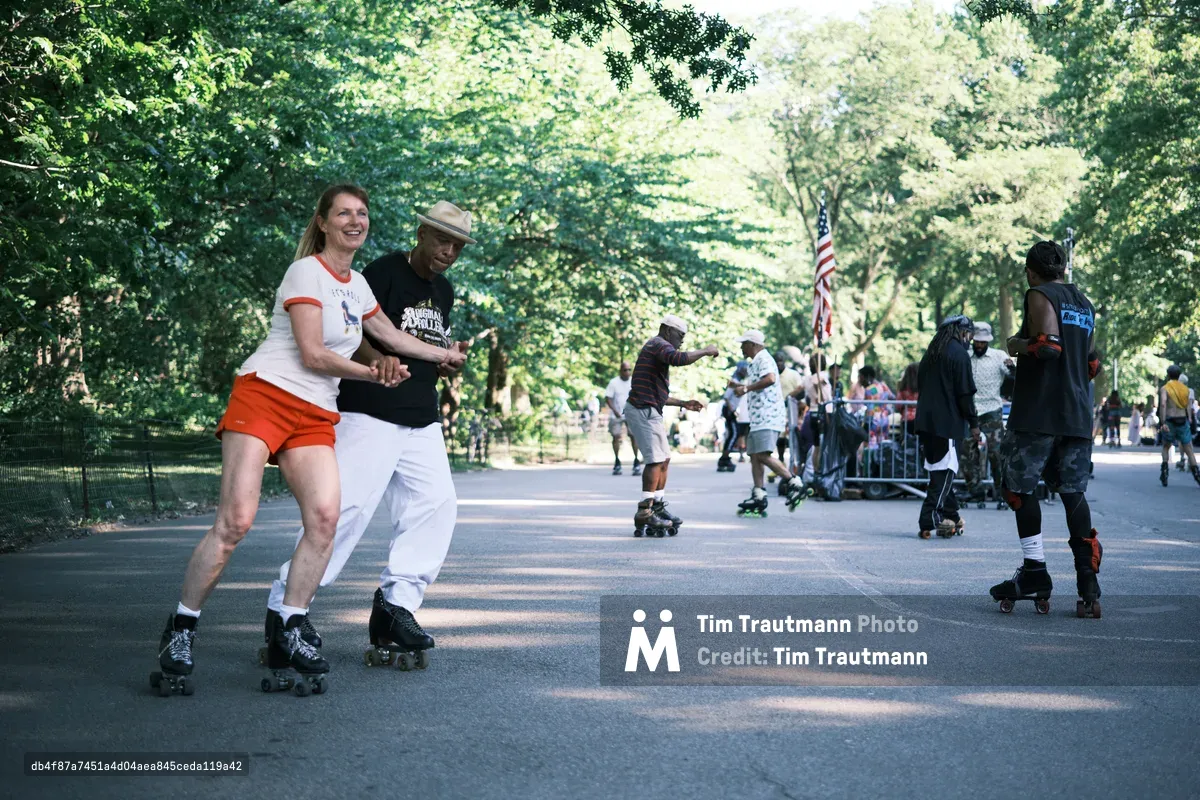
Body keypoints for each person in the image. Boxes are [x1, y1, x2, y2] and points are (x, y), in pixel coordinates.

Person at [155, 186, 465, 695]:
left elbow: (391, 337)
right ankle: (181, 629)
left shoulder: (360, 286)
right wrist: (375, 374)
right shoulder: (307, 272)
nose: (354, 221)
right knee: (236, 521)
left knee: (326, 518)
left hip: (316, 411)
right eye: (343, 213)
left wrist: (441, 356)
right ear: (323, 222)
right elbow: (314, 354)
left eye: (362, 213)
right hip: (267, 396)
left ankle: (289, 627)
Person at [263, 199, 475, 673]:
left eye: (458, 244)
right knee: (343, 514)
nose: (449, 251)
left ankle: (396, 609)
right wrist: (373, 359)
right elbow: (353, 327)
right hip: (370, 410)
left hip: (421, 415)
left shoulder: (444, 289)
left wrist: (445, 355)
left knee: (437, 505)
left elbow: (419, 344)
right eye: (442, 239)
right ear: (420, 233)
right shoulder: (382, 271)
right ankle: (285, 612)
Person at [992, 240, 1104, 618]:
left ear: (1031, 270)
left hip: (1038, 413)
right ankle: (1088, 582)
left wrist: (1016, 344)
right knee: (1073, 494)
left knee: (1018, 490)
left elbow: (1048, 347)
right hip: (1076, 414)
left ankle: (1036, 572)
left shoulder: (1038, 294)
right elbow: (1092, 364)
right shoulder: (1085, 305)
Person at [624, 315, 718, 536]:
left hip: (650, 409)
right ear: (667, 331)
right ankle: (645, 510)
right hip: (642, 410)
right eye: (680, 335)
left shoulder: (657, 349)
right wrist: (705, 351)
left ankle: (657, 505)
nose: (682, 341)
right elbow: (678, 358)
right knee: (655, 460)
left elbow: (658, 395)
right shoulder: (658, 344)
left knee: (664, 459)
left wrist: (683, 403)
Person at [731, 331, 809, 516]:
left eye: (744, 344)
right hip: (758, 418)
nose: (741, 347)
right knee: (755, 456)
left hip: (767, 416)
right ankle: (758, 494)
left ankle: (794, 483)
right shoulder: (756, 362)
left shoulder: (763, 358)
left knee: (763, 455)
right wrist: (736, 386)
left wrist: (747, 388)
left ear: (753, 344)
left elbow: (771, 378)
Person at [914, 316, 978, 540]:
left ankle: (952, 513)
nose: (969, 339)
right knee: (945, 471)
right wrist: (974, 423)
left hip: (926, 421)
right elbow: (965, 394)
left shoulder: (931, 354)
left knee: (938, 469)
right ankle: (929, 518)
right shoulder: (959, 354)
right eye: (968, 334)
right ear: (961, 332)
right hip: (948, 422)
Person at [963, 322, 1014, 503]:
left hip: (991, 409)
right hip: (970, 411)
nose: (979, 345)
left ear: (988, 342)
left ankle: (1002, 491)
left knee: (997, 452)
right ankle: (975, 490)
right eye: (977, 342)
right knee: (967, 451)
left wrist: (1011, 369)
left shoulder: (998, 356)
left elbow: (1011, 373)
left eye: (983, 343)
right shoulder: (965, 356)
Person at [1158, 365, 1199, 486]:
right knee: (1189, 449)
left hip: (1170, 420)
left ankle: (1164, 472)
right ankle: (1196, 473)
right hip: (1182, 420)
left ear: (1168, 375)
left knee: (1166, 446)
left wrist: (1162, 421)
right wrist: (1189, 419)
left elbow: (1163, 404)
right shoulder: (1185, 389)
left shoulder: (1165, 388)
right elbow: (1187, 406)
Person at [773, 350, 805, 483]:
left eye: (781, 361)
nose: (779, 364)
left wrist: (789, 396)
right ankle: (780, 463)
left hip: (792, 411)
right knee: (780, 440)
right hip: (776, 411)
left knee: (793, 439)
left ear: (784, 362)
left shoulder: (793, 374)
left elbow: (801, 388)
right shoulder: (772, 375)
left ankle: (794, 466)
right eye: (777, 361)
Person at [801, 353, 834, 479]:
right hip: (824, 413)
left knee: (817, 446)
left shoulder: (809, 378)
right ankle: (820, 472)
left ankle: (817, 472)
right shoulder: (820, 377)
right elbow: (824, 396)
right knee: (823, 445)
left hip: (815, 413)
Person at [606, 361, 640, 476]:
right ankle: (617, 461)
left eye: (629, 370)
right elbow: (608, 398)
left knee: (634, 436)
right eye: (625, 370)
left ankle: (636, 461)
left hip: (631, 414)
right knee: (616, 436)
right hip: (617, 414)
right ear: (620, 371)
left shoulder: (634, 382)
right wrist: (615, 411)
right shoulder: (614, 382)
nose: (627, 372)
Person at [717, 361, 748, 472]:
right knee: (734, 434)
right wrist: (732, 410)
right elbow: (726, 397)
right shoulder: (734, 381)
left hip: (731, 410)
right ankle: (724, 458)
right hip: (728, 410)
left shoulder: (738, 382)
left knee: (733, 434)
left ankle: (725, 458)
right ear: (740, 370)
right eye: (744, 369)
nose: (746, 372)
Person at [896, 363, 920, 437]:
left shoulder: (903, 388)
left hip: (906, 419)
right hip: (920, 418)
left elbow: (898, 405)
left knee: (908, 442)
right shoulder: (923, 388)